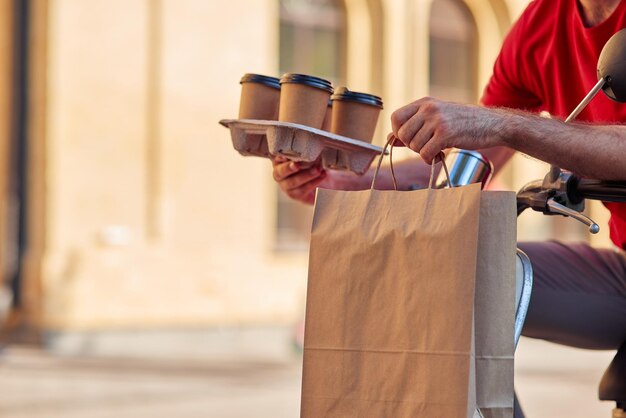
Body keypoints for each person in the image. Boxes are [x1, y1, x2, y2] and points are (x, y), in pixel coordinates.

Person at [273, 0, 626, 415]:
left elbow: (494, 127)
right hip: (619, 268)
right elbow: (466, 160)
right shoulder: (542, 20)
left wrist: (504, 124)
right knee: (443, 266)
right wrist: (345, 181)